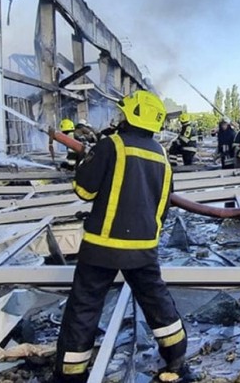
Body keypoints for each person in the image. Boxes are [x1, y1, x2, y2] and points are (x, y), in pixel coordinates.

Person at [55, 90, 188, 383]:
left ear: (131, 117)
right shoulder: (162, 155)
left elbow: (84, 191)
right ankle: (177, 362)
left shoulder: (111, 145)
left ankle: (70, 375)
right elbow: (164, 203)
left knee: (85, 307)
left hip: (102, 245)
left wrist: (85, 161)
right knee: (158, 303)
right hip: (144, 247)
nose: (119, 117)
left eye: (123, 113)